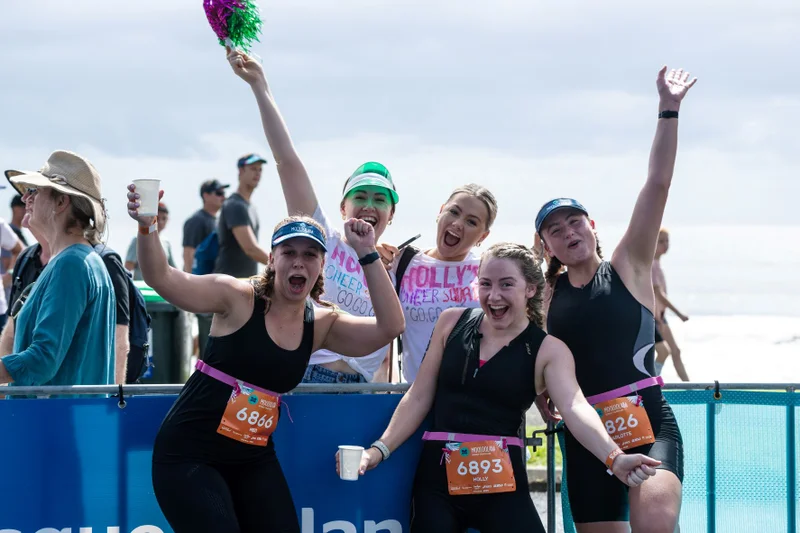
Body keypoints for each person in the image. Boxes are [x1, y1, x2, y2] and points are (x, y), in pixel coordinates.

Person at [127, 181, 405, 531]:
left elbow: (390, 326)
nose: (299, 263)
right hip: (190, 454)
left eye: (309, 255)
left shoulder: (320, 324)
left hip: (251, 458)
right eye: (289, 252)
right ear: (272, 259)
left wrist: (367, 252)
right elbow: (161, 277)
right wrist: (146, 224)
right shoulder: (236, 298)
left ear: (323, 264)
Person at [338, 243, 660, 533]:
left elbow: (575, 406)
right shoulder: (451, 323)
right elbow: (419, 396)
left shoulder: (549, 350)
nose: (494, 296)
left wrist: (614, 457)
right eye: (486, 284)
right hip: (436, 483)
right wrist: (377, 451)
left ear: (530, 289)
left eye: (507, 284)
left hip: (502, 484)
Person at [534, 66, 697, 532]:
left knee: (655, 524)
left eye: (574, 222)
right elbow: (538, 357)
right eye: (555, 229)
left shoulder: (629, 265)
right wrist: (541, 391)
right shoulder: (547, 294)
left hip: (647, 420)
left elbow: (657, 185)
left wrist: (669, 109)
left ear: (592, 227)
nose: (568, 233)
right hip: (587, 437)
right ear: (546, 245)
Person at [226, 45, 400, 384]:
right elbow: (286, 160)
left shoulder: (398, 265)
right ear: (342, 208)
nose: (369, 204)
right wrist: (259, 85)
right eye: (359, 196)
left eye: (380, 199)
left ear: (391, 214)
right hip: (301, 377)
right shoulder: (322, 241)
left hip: (357, 392)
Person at [0, 150, 115, 387]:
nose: (25, 199)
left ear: (62, 202)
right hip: (70, 417)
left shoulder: (71, 264)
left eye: (35, 191)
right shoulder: (81, 260)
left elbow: (41, 361)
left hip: (55, 419)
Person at [377, 183, 497, 383]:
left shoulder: (487, 270)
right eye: (453, 212)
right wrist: (374, 266)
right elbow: (373, 316)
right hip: (414, 395)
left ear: (483, 236)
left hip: (474, 398)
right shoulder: (403, 262)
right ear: (440, 212)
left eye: (471, 222)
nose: (458, 224)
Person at [183, 179, 229, 359]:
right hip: (201, 289)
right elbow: (188, 253)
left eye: (223, 193)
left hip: (215, 290)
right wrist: (189, 286)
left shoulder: (217, 221)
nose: (222, 197)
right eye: (218, 193)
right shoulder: (197, 220)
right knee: (205, 340)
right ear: (206, 195)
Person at [214, 153, 269, 279]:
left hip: (243, 282)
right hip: (228, 282)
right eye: (253, 168)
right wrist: (280, 264)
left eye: (260, 169)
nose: (258, 173)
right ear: (241, 171)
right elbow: (250, 248)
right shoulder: (235, 205)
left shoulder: (250, 207)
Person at [652, 228, 689, 380]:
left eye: (667, 241)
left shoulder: (657, 265)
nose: (665, 245)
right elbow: (658, 294)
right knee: (664, 351)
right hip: (654, 317)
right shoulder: (652, 266)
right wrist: (679, 313)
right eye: (661, 241)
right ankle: (651, 383)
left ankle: (690, 387)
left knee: (675, 351)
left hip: (660, 315)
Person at [126, 202, 176, 279]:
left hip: (160, 288)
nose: (160, 222)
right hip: (142, 288)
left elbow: (173, 269)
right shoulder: (138, 239)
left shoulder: (166, 242)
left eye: (164, 218)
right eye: (157, 218)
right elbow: (128, 267)